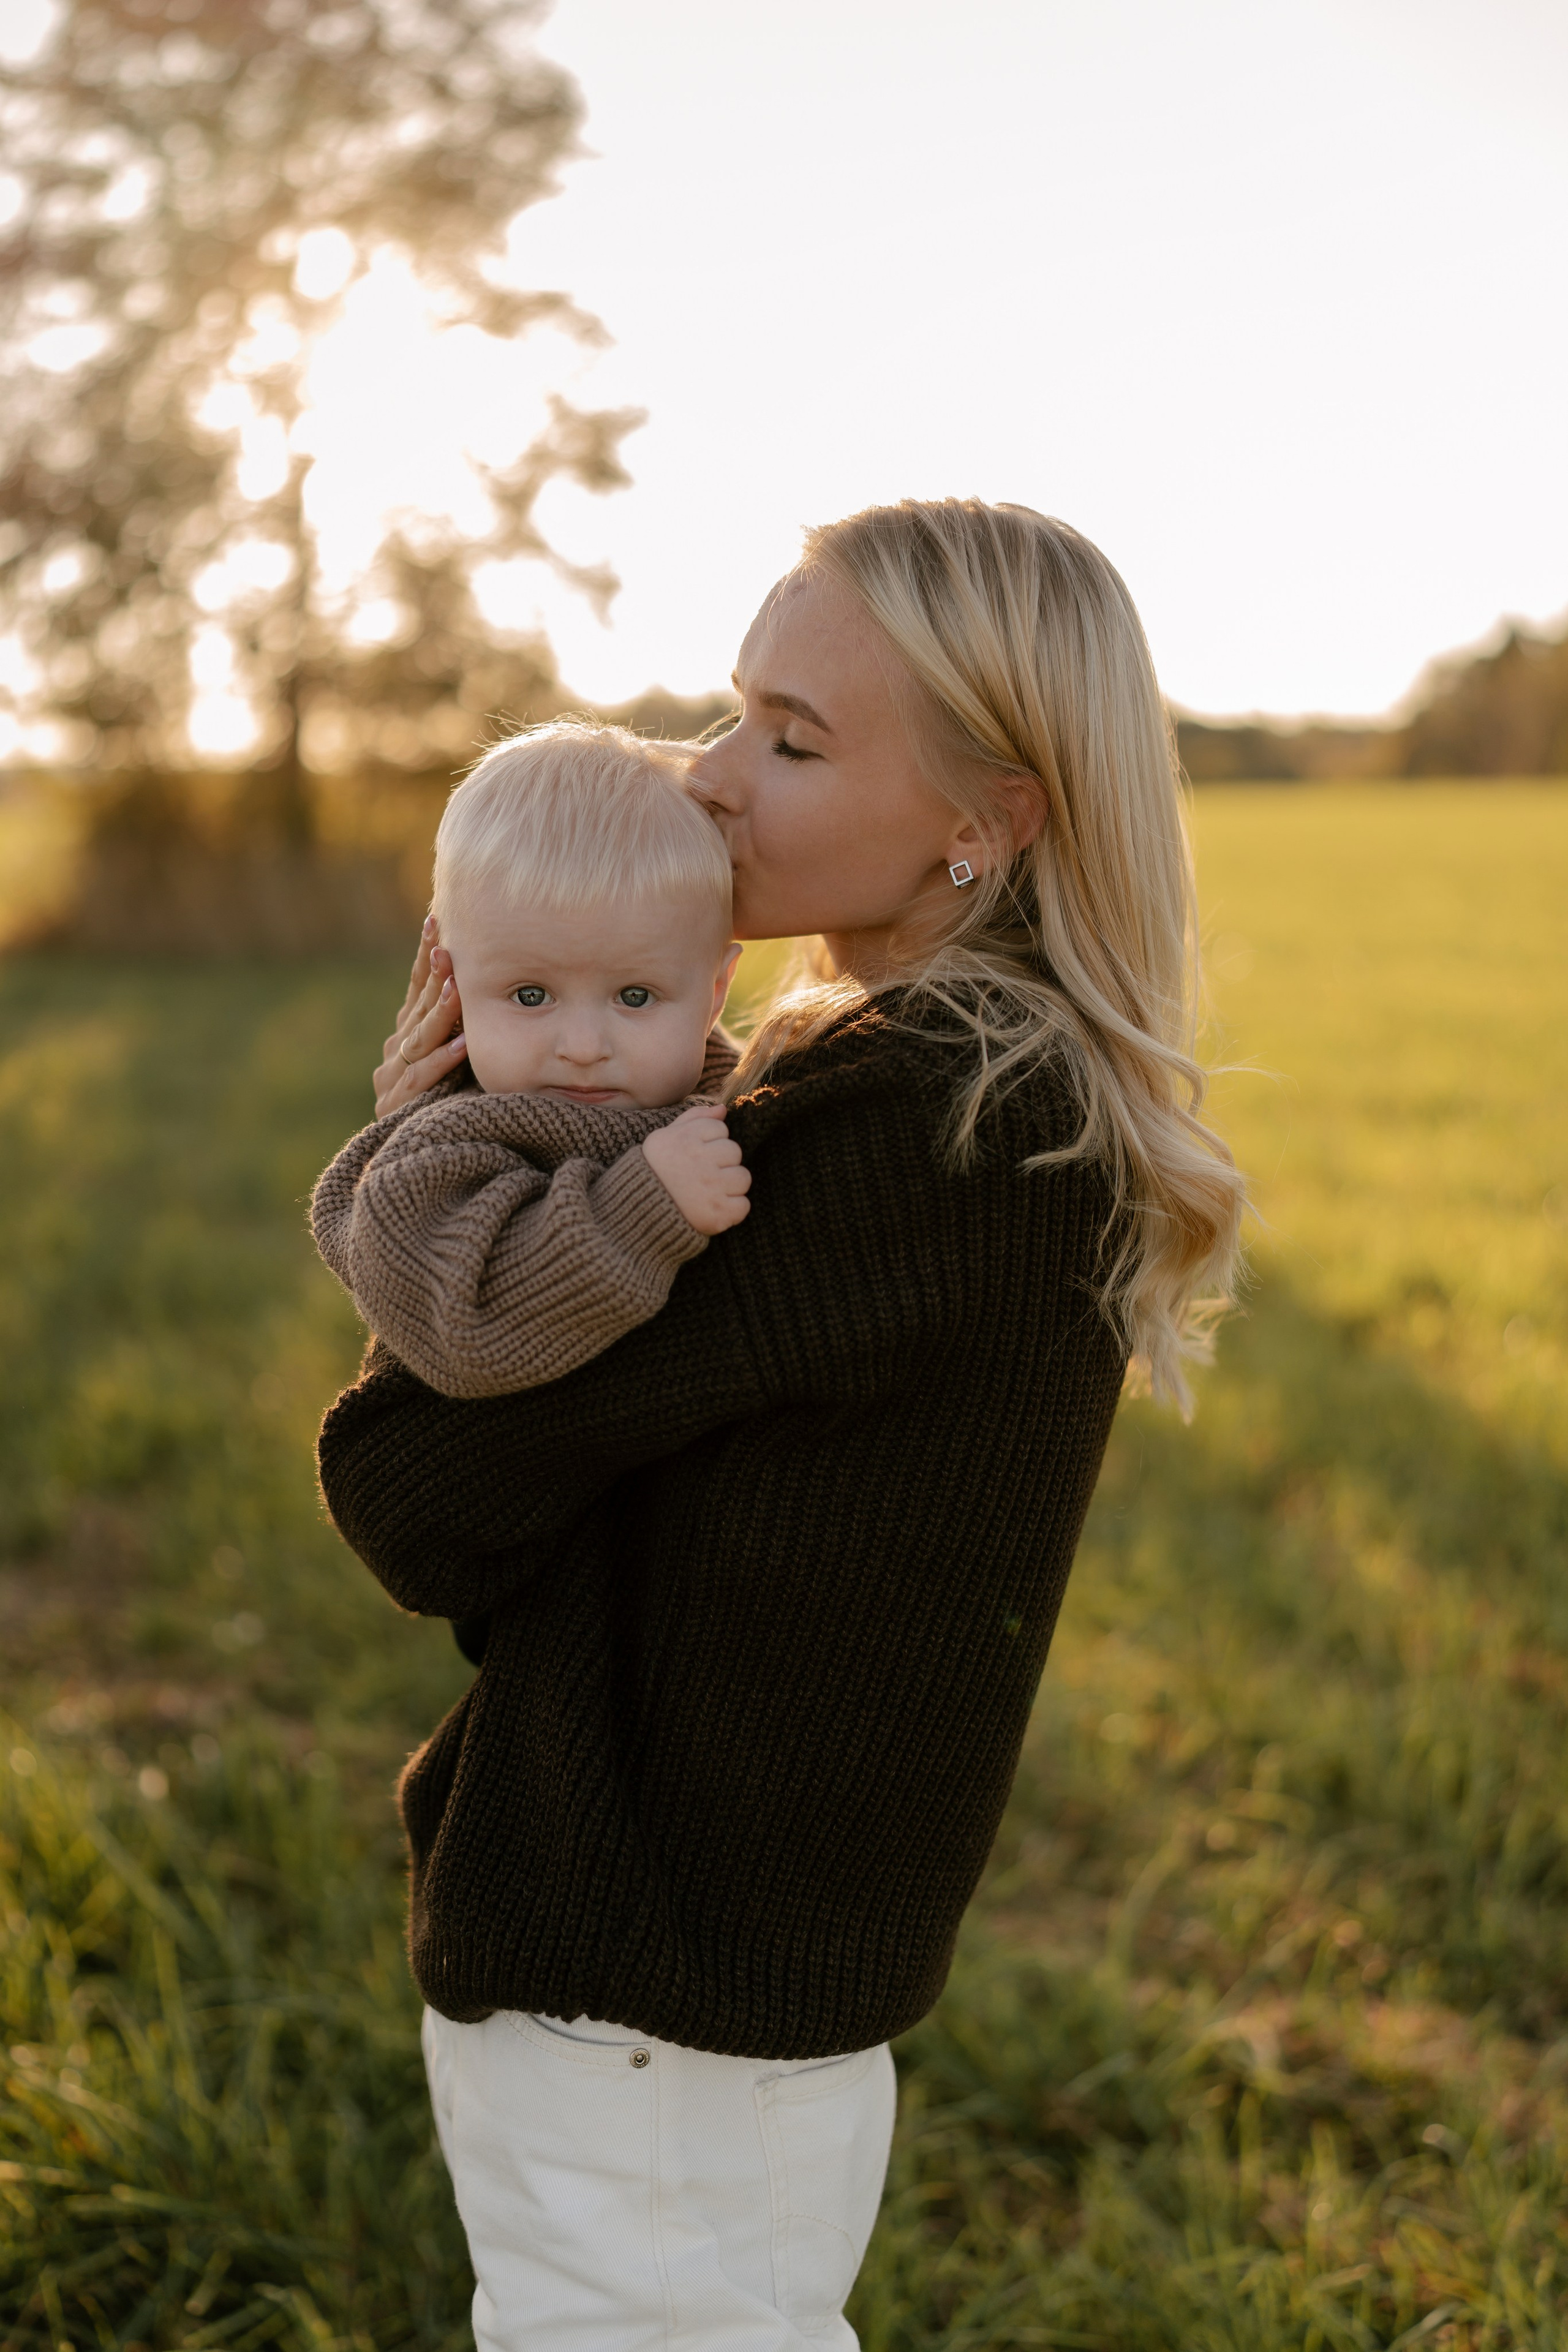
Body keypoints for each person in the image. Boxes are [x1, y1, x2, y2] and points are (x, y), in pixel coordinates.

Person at [315, 499, 1246, 2350]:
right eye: (733, 714)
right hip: (735, 1987)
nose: (718, 780)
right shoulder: (962, 1090)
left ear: (991, 819)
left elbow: (415, 1495)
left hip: (656, 1982)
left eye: (794, 742)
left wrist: (434, 1186)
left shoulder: (915, 1128)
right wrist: (478, 1161)